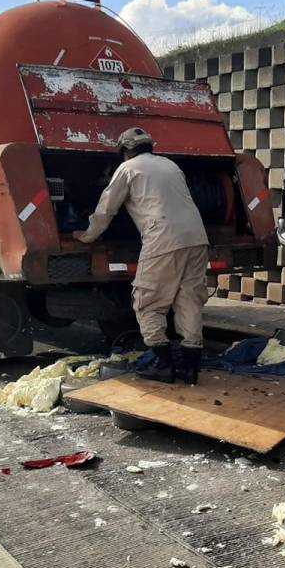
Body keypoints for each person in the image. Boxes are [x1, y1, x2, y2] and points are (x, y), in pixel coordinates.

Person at [73, 127, 209, 384]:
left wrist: (88, 235)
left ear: (126, 150)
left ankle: (163, 365)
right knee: (188, 299)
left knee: (148, 301)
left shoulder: (128, 169)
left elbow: (107, 207)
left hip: (163, 239)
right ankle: (191, 370)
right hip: (197, 238)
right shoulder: (170, 165)